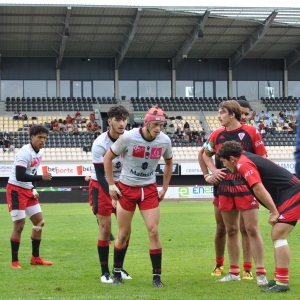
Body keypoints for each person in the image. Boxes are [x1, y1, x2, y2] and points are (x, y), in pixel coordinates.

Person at [198, 100, 268, 285]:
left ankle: (260, 273)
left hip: (246, 187)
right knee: (231, 229)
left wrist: (255, 178)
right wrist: (212, 170)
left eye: (221, 112)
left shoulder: (251, 132)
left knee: (252, 229)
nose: (218, 116)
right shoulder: (217, 133)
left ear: (232, 115)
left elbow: (263, 157)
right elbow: (205, 153)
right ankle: (234, 272)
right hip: (225, 188)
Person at [216, 140, 300, 293]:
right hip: (289, 194)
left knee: (278, 233)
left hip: (293, 194)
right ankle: (280, 279)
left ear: (232, 158)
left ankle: (282, 282)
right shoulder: (246, 158)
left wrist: (274, 211)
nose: (224, 166)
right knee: (278, 233)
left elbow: (259, 189)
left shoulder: (243, 164)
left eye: (224, 162)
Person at [103, 106, 173, 287]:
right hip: (127, 189)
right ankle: (116, 272)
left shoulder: (164, 141)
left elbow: (169, 162)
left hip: (148, 190)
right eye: (155, 124)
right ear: (147, 123)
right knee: (123, 234)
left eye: (161, 125)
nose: (158, 129)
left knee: (154, 231)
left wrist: (164, 188)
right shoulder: (128, 137)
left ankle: (157, 277)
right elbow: (107, 159)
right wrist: (111, 185)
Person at [89, 105, 131, 283]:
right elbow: (100, 175)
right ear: (110, 121)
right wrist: (112, 194)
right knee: (105, 229)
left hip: (124, 184)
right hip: (102, 185)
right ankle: (105, 271)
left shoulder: (130, 139)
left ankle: (118, 268)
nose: (122, 123)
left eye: (124, 119)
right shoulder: (100, 143)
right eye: (118, 120)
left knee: (125, 231)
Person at [6, 125, 53, 269]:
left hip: (27, 190)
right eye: (39, 137)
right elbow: (20, 175)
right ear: (32, 137)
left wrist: (33, 188)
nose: (42, 140)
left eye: (44, 138)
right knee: (19, 226)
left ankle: (35, 258)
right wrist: (41, 178)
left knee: (39, 222)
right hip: (16, 190)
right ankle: (14, 261)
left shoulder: (40, 153)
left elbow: (31, 172)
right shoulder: (25, 152)